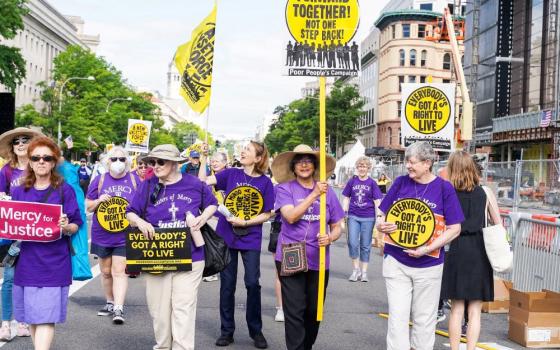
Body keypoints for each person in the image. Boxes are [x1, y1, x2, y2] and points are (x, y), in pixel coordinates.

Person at [126, 144, 217, 350]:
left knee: (183, 308)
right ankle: (163, 346)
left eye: (160, 162)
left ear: (175, 164)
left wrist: (203, 218)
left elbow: (212, 203)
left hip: (191, 256)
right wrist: (140, 222)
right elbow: (130, 212)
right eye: (152, 162)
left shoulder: (194, 184)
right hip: (157, 256)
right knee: (159, 313)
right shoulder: (148, 186)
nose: (154, 166)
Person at [376, 141, 464, 350]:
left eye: (412, 162)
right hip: (396, 261)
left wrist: (427, 248)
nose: (407, 166)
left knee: (425, 320)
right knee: (397, 318)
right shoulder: (400, 183)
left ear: (427, 163)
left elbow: (455, 228)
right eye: (407, 161)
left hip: (429, 265)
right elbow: (382, 213)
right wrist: (381, 224)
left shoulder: (444, 188)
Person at [199, 141, 274, 349]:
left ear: (258, 158)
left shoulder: (266, 183)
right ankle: (227, 331)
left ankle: (256, 331)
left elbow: (267, 213)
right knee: (227, 286)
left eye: (248, 150)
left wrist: (246, 222)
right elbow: (203, 182)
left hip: (251, 237)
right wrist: (204, 157)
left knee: (252, 283)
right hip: (227, 237)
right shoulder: (230, 173)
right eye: (243, 148)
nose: (242, 151)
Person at [270, 144, 344, 350]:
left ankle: (306, 346)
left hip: (319, 259)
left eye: (308, 161)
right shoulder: (284, 189)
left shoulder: (328, 193)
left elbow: (338, 225)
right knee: (295, 311)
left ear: (315, 166)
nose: (304, 164)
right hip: (291, 253)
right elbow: (291, 216)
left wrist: (330, 237)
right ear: (293, 167)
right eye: (299, 161)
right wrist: (313, 195)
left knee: (313, 312)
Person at [11, 136, 82, 350]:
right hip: (27, 261)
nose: (41, 161)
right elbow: (12, 225)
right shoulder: (19, 191)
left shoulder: (64, 190)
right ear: (30, 162)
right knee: (33, 317)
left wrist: (66, 226)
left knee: (45, 318)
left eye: (47, 157)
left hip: (54, 262)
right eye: (36, 157)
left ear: (54, 162)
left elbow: (76, 223)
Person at [440, 151, 498, 350]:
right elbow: (497, 224)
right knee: (475, 310)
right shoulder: (486, 192)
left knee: (456, 308)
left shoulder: (448, 192)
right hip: (480, 252)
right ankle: (471, 348)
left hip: (456, 249)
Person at [86, 146, 138, 324]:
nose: (118, 162)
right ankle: (109, 301)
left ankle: (118, 307)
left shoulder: (134, 180)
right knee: (105, 272)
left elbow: (143, 204)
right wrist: (99, 200)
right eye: (114, 159)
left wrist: (136, 218)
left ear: (127, 162)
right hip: (102, 233)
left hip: (125, 234)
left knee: (119, 271)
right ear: (107, 161)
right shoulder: (99, 180)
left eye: (122, 159)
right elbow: (88, 206)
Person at [0, 127, 43, 340]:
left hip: (36, 232)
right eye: (16, 141)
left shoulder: (40, 168)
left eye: (25, 140)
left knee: (30, 278)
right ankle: (6, 324)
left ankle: (24, 320)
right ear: (12, 147)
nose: (20, 144)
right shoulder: (6, 171)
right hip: (12, 232)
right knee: (9, 278)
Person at [342, 156, 383, 282]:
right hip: (353, 215)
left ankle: (364, 272)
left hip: (368, 217)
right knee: (352, 243)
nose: (362, 168)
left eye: (364, 166)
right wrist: (344, 212)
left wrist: (379, 216)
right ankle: (356, 270)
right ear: (357, 167)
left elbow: (377, 200)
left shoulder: (372, 183)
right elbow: (346, 197)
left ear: (368, 168)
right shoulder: (352, 182)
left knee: (365, 245)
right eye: (360, 166)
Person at [203, 151, 229, 283]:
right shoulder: (209, 177)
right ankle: (213, 270)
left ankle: (223, 268)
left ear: (225, 163)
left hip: (229, 215)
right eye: (212, 161)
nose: (214, 163)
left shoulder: (230, 176)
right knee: (214, 243)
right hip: (214, 215)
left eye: (217, 160)